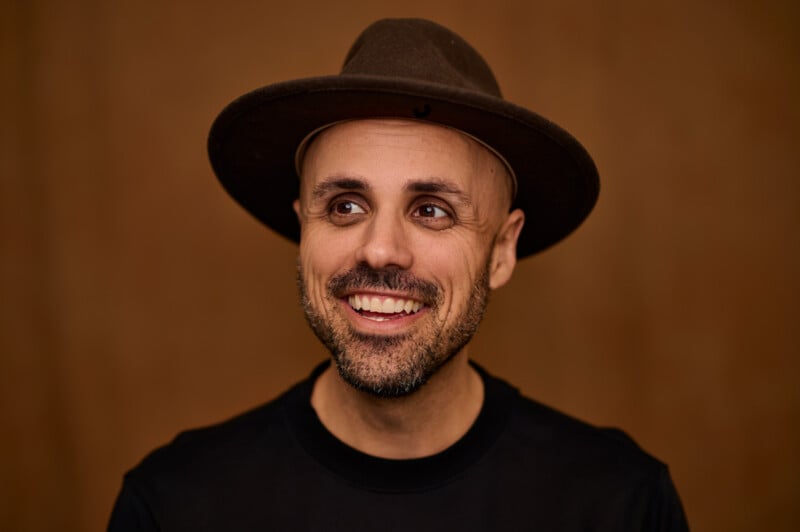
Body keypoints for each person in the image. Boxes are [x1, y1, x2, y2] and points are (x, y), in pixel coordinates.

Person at [108, 18, 689, 531]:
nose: (380, 250)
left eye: (432, 211)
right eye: (345, 206)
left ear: (502, 250)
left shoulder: (617, 504)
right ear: (303, 231)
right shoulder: (177, 504)